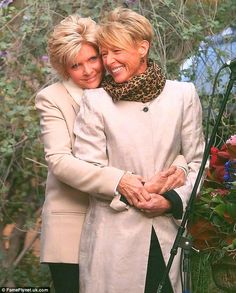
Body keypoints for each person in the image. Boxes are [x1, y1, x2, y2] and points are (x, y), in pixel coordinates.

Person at [35, 14, 187, 293]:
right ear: (63, 67)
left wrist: (178, 166)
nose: (89, 70)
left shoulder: (120, 88)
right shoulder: (53, 98)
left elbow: (161, 142)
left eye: (94, 58)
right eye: (75, 65)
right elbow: (59, 160)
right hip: (73, 222)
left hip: (118, 222)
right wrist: (120, 181)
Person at [74, 7, 205, 293]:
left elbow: (199, 163)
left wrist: (170, 200)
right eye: (104, 53)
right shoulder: (95, 101)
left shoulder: (183, 95)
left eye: (116, 51)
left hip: (166, 237)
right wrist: (143, 187)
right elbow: (89, 167)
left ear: (142, 48)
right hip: (114, 241)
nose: (108, 61)